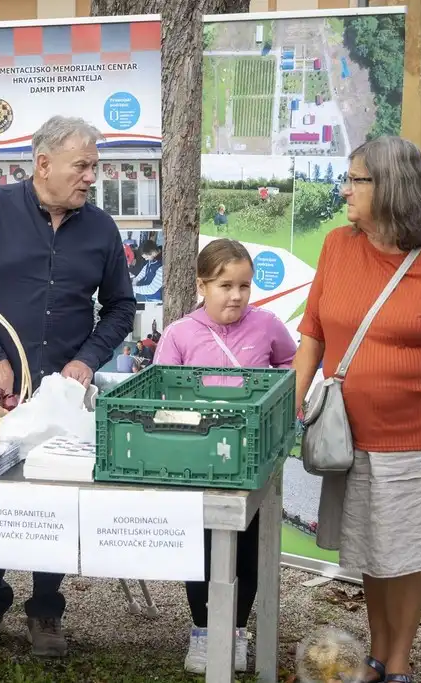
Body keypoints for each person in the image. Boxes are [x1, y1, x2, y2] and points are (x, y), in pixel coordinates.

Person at [293, 136, 421, 683]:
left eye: (356, 179)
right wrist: (296, 406)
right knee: (371, 554)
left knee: (404, 558)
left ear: (390, 188)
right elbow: (311, 332)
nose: (345, 190)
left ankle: (397, 665)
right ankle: (378, 656)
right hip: (349, 438)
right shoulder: (337, 246)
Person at [0, 115, 136, 657]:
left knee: (55, 496)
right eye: (83, 166)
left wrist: (87, 362)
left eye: (95, 166)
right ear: (43, 164)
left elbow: (120, 307)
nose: (92, 176)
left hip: (63, 398)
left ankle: (46, 609)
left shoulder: (100, 228)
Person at [153, 239, 296, 675]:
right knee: (200, 552)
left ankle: (234, 631)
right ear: (202, 284)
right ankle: (202, 630)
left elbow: (292, 367)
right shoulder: (179, 334)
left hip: (251, 462)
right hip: (195, 461)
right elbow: (161, 391)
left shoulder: (268, 325)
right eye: (225, 285)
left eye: (245, 286)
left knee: (247, 551)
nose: (236, 295)